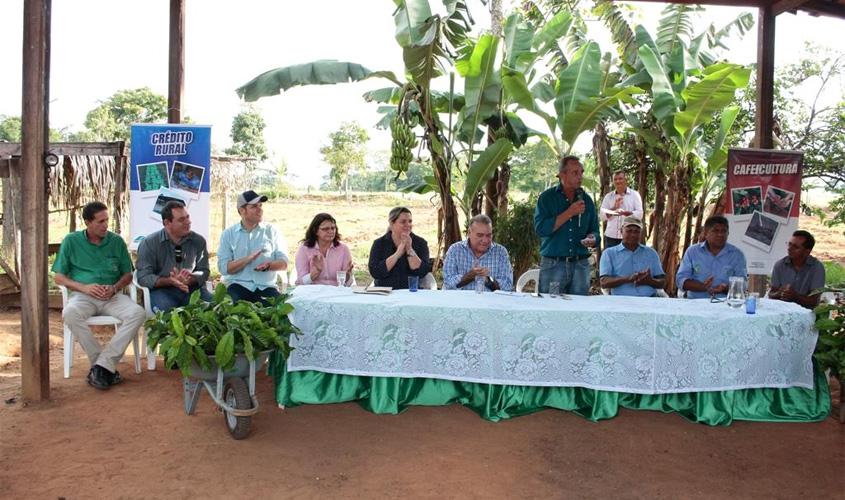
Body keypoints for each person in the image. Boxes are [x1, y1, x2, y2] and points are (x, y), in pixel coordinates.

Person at [52, 201, 146, 390]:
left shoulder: (116, 241)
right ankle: (102, 365)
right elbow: (59, 277)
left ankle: (102, 365)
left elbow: (128, 274)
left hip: (112, 296)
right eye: (100, 222)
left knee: (137, 313)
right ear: (87, 222)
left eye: (107, 221)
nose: (105, 226)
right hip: (83, 296)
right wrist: (83, 288)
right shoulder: (72, 241)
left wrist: (115, 287)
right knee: (70, 313)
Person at [533, 155, 599, 295]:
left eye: (581, 172)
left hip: (581, 265)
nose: (580, 176)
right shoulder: (547, 198)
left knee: (579, 311)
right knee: (551, 308)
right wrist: (569, 212)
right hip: (554, 264)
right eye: (575, 173)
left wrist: (593, 238)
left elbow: (595, 230)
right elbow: (541, 229)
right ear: (562, 174)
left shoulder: (586, 200)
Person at [136, 201, 211, 312]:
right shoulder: (149, 243)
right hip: (162, 291)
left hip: (191, 289)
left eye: (188, 217)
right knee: (166, 314)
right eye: (181, 220)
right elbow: (143, 277)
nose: (188, 222)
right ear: (167, 223)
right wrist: (170, 281)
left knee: (213, 307)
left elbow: (204, 271)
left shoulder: (198, 241)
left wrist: (190, 279)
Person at [217, 190, 289, 304]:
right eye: (254, 206)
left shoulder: (272, 231)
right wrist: (247, 259)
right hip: (237, 286)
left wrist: (269, 266)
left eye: (260, 205)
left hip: (266, 287)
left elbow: (284, 263)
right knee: (229, 310)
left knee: (281, 311)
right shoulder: (228, 234)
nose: (260, 210)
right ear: (242, 210)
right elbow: (224, 268)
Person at [676, 215, 747, 299]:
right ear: (705, 233)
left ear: (728, 233)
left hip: (725, 304)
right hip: (695, 303)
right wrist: (702, 287)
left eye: (724, 231)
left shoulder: (737, 255)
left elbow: (743, 285)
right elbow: (680, 280)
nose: (720, 234)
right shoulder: (692, 252)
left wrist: (725, 288)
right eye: (715, 231)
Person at [443, 214, 513, 291]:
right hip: (460, 301)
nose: (485, 240)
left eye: (488, 235)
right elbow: (448, 283)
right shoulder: (455, 250)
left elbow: (507, 286)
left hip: (491, 302)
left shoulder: (500, 252)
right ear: (469, 233)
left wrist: (488, 280)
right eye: (480, 235)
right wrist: (469, 276)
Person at [599, 216, 665, 296]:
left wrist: (649, 281)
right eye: (629, 231)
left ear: (641, 233)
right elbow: (604, 282)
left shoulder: (651, 253)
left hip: (649, 300)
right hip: (621, 301)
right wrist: (628, 279)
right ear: (621, 231)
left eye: (637, 231)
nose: (633, 235)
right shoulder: (609, 254)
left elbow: (662, 282)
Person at [368, 206, 431, 289]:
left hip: (412, 293)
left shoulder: (420, 243)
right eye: (403, 222)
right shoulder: (379, 243)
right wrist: (397, 254)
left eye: (410, 221)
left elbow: (422, 271)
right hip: (385, 292)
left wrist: (409, 249)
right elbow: (375, 272)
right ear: (391, 223)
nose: (408, 225)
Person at [769, 230, 826, 309]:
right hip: (781, 311)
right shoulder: (780, 265)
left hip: (806, 314)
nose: (789, 249)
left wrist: (795, 296)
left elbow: (814, 301)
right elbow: (771, 293)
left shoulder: (817, 268)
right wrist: (779, 293)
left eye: (795, 247)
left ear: (807, 251)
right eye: (789, 244)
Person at [294, 213, 354, 286]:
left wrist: (347, 275)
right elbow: (301, 282)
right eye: (325, 229)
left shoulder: (343, 249)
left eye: (333, 228)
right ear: (315, 231)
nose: (331, 231)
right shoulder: (304, 249)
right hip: (312, 293)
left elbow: (348, 283)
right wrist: (316, 272)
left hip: (336, 292)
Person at [599, 170, 643, 248]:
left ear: (626, 180)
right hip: (611, 237)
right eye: (615, 179)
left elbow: (640, 214)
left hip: (629, 237)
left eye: (620, 178)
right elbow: (602, 216)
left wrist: (626, 213)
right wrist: (614, 210)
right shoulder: (608, 196)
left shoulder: (635, 195)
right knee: (610, 259)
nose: (618, 181)